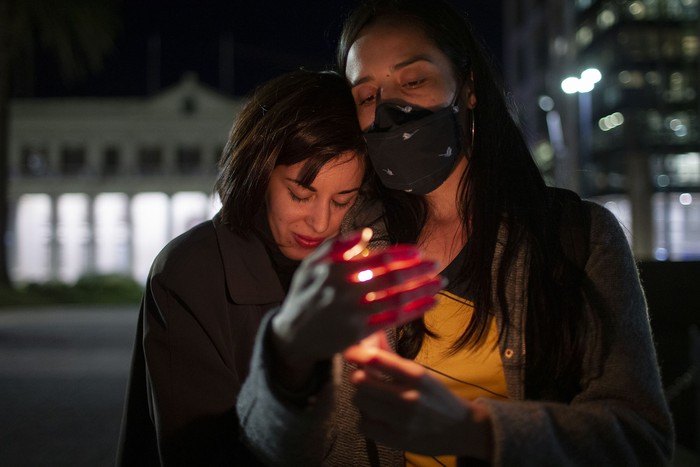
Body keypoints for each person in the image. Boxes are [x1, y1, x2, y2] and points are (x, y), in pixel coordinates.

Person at [236, 0, 675, 465]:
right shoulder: (347, 241)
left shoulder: (578, 238)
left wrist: (474, 431)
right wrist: (287, 353)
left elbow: (639, 440)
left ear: (468, 87)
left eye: (414, 80)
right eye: (367, 96)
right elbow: (268, 442)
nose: (390, 111)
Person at [115, 68, 443, 466]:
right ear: (257, 171)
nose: (320, 223)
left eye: (342, 200)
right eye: (300, 195)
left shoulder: (365, 253)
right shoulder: (190, 271)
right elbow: (197, 451)